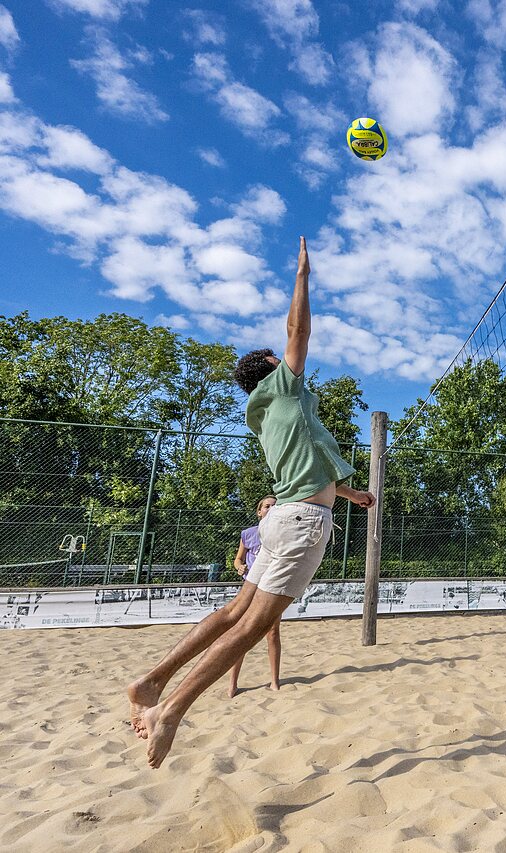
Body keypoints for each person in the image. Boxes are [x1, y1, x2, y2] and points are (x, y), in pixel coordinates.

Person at [127, 236, 376, 768]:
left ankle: (151, 680)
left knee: (232, 614)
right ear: (270, 366)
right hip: (303, 522)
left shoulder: (271, 413)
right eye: (278, 356)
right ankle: (169, 711)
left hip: (286, 517)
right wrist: (303, 276)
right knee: (251, 627)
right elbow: (297, 330)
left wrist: (353, 494)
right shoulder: (284, 390)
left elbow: (314, 467)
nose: (289, 357)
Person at [227, 495, 279, 697]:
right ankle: (232, 684)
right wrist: (239, 566)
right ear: (259, 512)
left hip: (273, 588)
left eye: (275, 506)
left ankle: (275, 682)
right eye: (267, 506)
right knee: (241, 633)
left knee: (273, 633)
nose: (271, 509)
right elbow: (237, 559)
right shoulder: (249, 534)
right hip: (250, 588)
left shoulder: (282, 535)